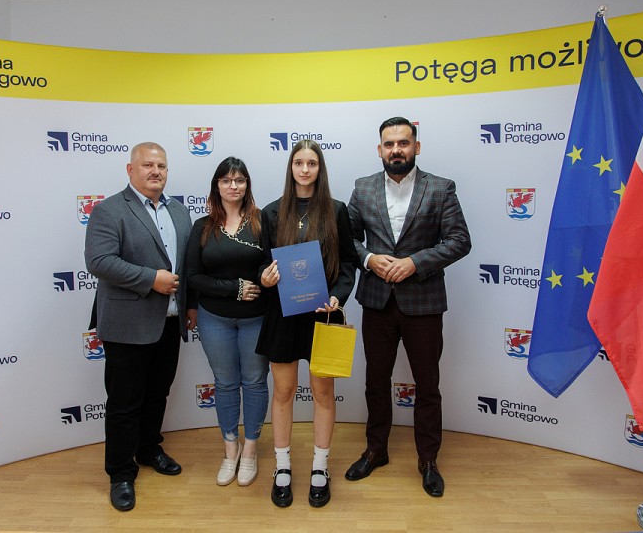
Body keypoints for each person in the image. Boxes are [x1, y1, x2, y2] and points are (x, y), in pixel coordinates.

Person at [345, 117, 471, 498]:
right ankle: (376, 450)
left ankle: (428, 460)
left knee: (427, 385)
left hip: (424, 302)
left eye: (403, 143)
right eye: (389, 144)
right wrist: (369, 259)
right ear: (379, 149)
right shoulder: (362, 188)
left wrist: (416, 262)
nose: (396, 150)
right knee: (375, 382)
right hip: (377, 301)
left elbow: (460, 240)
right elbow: (346, 238)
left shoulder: (441, 188)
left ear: (416, 147)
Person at [84, 142, 197, 512]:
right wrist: (152, 279)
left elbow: (186, 266)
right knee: (124, 402)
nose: (155, 171)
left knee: (157, 393)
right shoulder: (109, 209)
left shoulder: (179, 211)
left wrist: (190, 304)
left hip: (169, 322)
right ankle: (120, 472)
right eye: (147, 165)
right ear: (130, 170)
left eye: (161, 166)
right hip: (127, 324)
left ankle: (149, 449)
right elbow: (99, 261)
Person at [255, 139, 358, 509]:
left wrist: (338, 296)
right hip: (282, 315)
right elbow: (262, 262)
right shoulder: (271, 212)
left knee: (323, 394)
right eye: (298, 162)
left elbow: (348, 262)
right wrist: (265, 277)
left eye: (311, 163)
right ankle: (282, 466)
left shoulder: (336, 210)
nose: (304, 169)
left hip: (322, 315)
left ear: (319, 168)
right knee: (283, 393)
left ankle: (319, 466)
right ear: (291, 167)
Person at [185, 157, 269, 487]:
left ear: (247, 185)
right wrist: (233, 288)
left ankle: (250, 450)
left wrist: (264, 280)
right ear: (216, 185)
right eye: (226, 180)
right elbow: (193, 276)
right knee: (225, 383)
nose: (233, 186)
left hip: (257, 319)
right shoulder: (202, 226)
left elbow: (272, 266)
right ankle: (230, 447)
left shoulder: (263, 222)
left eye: (240, 180)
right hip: (214, 318)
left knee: (255, 382)